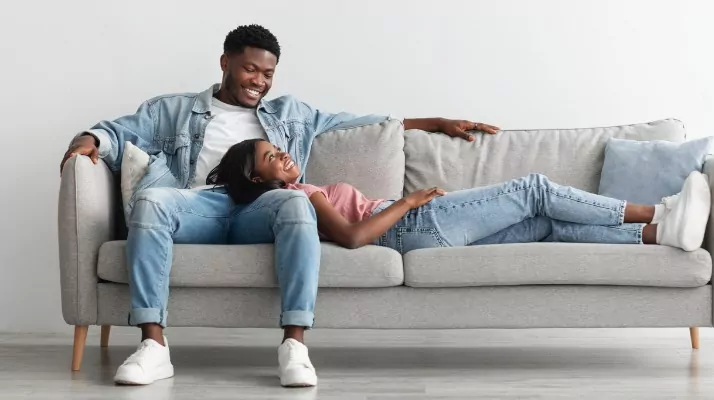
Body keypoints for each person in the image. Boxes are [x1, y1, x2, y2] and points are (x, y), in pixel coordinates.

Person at [58, 24, 499, 387]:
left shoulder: (291, 114)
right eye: (251, 69)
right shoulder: (173, 110)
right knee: (152, 200)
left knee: (295, 203)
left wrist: (435, 122)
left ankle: (295, 346)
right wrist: (86, 143)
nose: (259, 82)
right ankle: (154, 346)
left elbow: (365, 122)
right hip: (198, 207)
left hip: (260, 208)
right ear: (225, 62)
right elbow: (115, 131)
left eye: (267, 74)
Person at [208, 139, 712, 255]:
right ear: (256, 179)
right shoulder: (299, 196)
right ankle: (660, 208)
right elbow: (354, 237)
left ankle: (658, 234)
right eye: (270, 159)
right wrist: (408, 202)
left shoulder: (292, 193)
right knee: (533, 189)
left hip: (413, 231)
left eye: (278, 149)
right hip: (408, 226)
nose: (283, 156)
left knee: (544, 226)